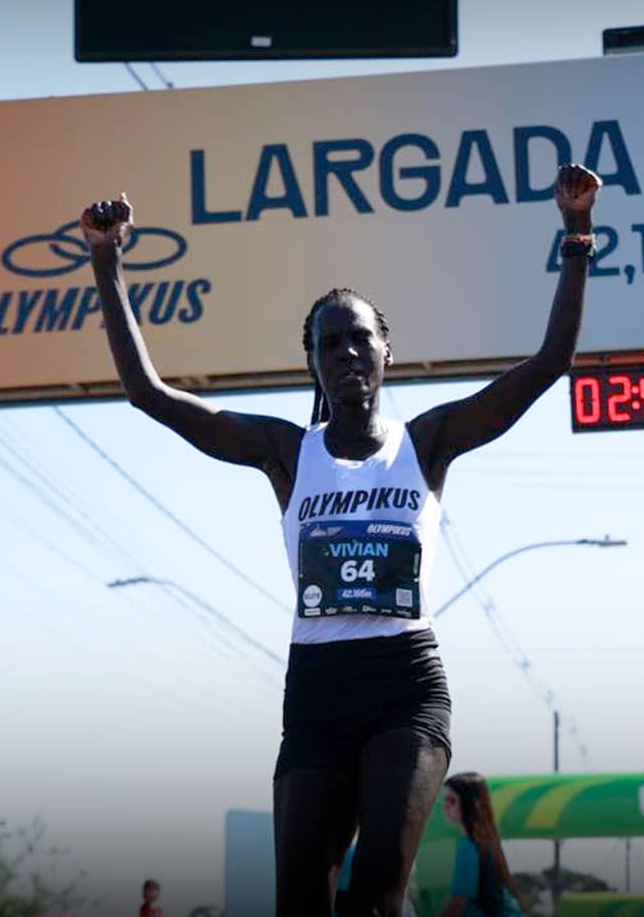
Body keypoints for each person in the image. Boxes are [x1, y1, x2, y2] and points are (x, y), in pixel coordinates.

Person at [80, 163, 600, 917]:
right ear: (315, 364)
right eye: (331, 345)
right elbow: (149, 395)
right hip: (317, 692)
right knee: (301, 901)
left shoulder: (430, 441)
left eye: (361, 340)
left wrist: (577, 233)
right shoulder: (287, 453)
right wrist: (106, 260)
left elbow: (549, 363)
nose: (348, 354)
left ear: (387, 351)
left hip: (404, 687)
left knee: (374, 900)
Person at [441, 772, 524, 916]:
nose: (445, 807)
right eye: (445, 800)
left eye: (452, 800)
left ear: (471, 804)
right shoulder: (487, 844)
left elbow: (457, 905)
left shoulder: (468, 848)